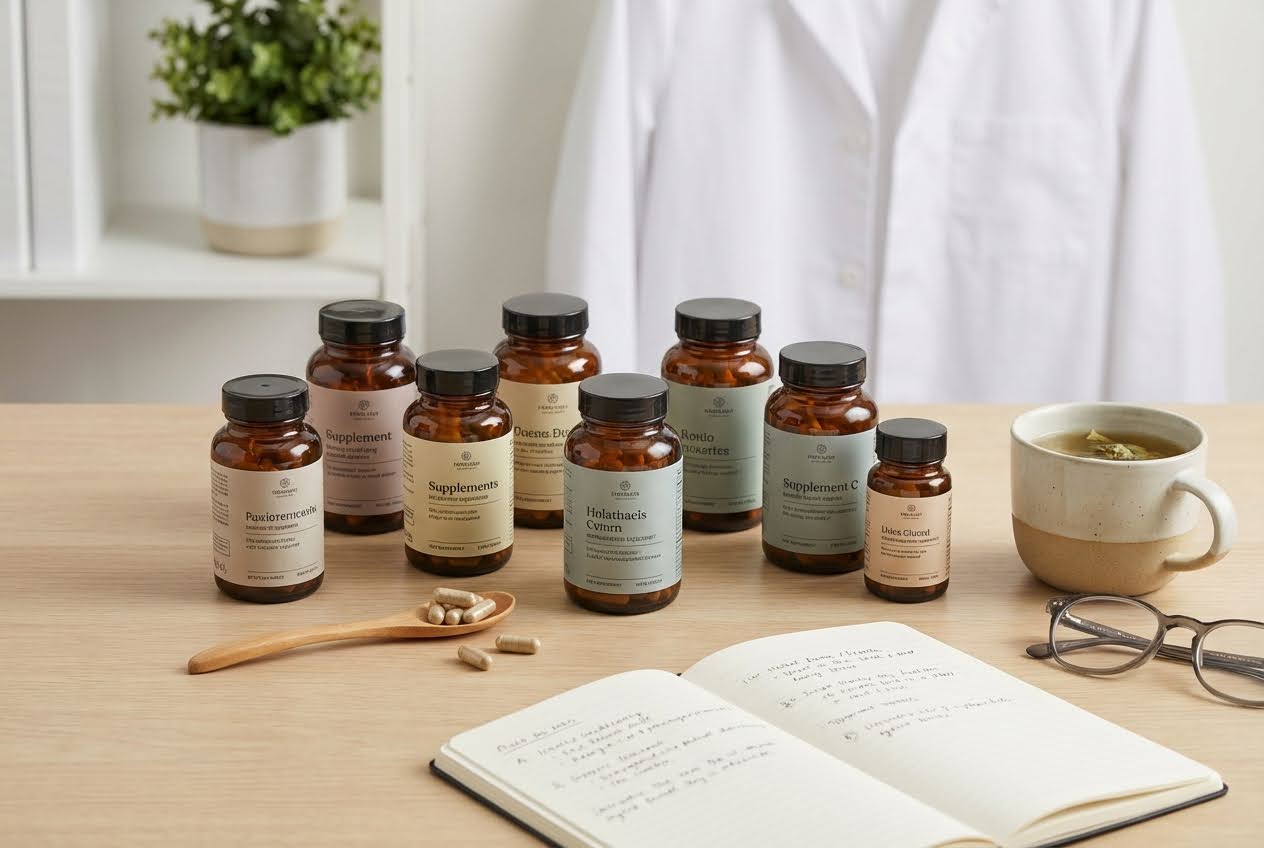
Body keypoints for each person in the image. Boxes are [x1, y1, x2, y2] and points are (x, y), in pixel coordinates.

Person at [548, 0, 1225, 402]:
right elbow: (601, 217)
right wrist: (599, 466)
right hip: (721, 521)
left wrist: (1163, 497)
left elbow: (1163, 265)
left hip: (1016, 539)